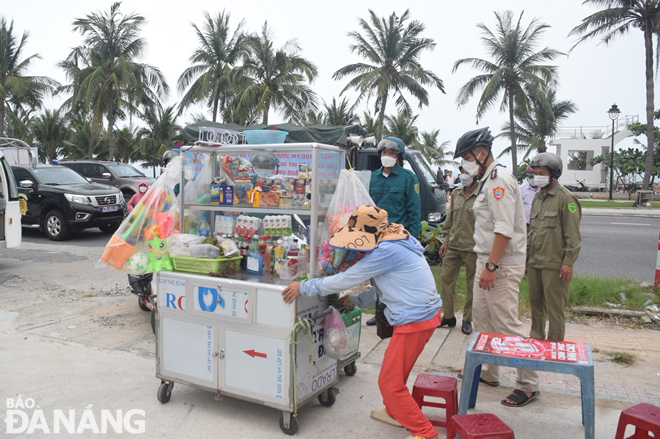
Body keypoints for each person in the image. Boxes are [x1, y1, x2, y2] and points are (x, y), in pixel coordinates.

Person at [282, 205, 441, 439]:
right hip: (421, 315)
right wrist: (356, 300)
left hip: (415, 320)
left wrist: (304, 286)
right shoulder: (395, 241)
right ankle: (395, 412)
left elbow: (346, 279)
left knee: (389, 383)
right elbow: (383, 287)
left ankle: (425, 433)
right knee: (397, 375)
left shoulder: (386, 250)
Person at [454, 127, 540, 407]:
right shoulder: (485, 181)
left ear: (481, 153)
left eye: (466, 157)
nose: (464, 163)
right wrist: (485, 263)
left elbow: (504, 229)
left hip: (499, 264)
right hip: (485, 260)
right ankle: (489, 372)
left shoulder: (499, 179)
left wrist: (492, 265)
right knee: (483, 320)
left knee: (507, 325)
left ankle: (528, 384)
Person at [366, 136, 422, 327]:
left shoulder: (408, 178)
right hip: (377, 237)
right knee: (377, 277)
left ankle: (398, 313)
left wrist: (414, 240)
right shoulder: (372, 177)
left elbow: (414, 211)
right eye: (383, 152)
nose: (386, 156)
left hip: (399, 239)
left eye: (391, 153)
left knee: (397, 279)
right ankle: (380, 312)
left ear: (398, 157)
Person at [527, 153, 582, 341]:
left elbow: (573, 236)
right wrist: (527, 259)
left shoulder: (566, 199)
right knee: (536, 306)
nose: (537, 177)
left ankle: (555, 345)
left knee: (555, 310)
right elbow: (531, 232)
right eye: (535, 173)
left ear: (553, 175)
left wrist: (568, 263)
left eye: (541, 173)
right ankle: (536, 339)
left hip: (555, 265)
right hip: (535, 263)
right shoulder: (538, 198)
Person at [438, 168, 478, 335]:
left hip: (473, 247)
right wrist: (445, 241)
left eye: (467, 172)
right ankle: (448, 316)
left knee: (472, 285)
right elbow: (450, 219)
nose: (463, 175)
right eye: (462, 172)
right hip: (453, 245)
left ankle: (468, 319)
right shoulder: (456, 194)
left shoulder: (482, 195)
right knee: (446, 279)